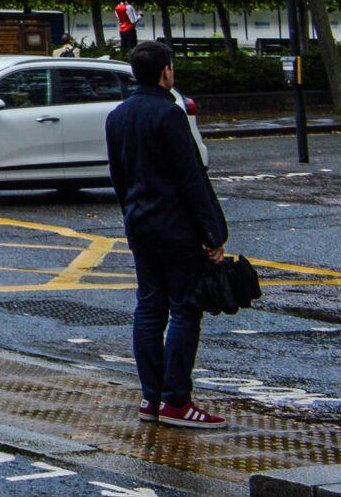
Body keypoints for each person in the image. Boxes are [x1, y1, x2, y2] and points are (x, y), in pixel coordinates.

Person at [108, 40, 229, 430]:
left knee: (148, 309)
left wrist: (131, 214)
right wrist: (213, 232)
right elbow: (190, 178)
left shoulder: (118, 116)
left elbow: (119, 176)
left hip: (141, 225)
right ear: (166, 72)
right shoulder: (170, 114)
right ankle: (177, 400)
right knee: (185, 309)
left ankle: (151, 397)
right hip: (176, 228)